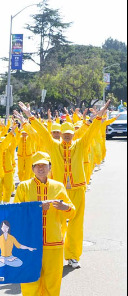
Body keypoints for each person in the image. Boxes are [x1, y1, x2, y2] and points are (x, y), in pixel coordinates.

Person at [18, 101, 107, 268]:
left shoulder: (80, 144)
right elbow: (43, 133)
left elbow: (92, 131)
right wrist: (30, 116)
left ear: (74, 133)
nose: (66, 135)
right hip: (57, 190)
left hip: (78, 188)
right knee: (57, 221)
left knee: (76, 222)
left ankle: (73, 255)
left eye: (69, 133)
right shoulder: (54, 145)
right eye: (64, 133)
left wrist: (99, 115)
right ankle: (56, 252)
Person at [13, 152, 75, 296]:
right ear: (32, 168)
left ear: (50, 167)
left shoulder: (58, 186)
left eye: (44, 166)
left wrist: (65, 207)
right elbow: (16, 211)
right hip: (30, 241)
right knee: (30, 277)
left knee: (52, 278)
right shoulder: (24, 187)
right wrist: (38, 208)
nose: (41, 169)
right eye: (37, 166)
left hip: (53, 241)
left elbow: (73, 210)